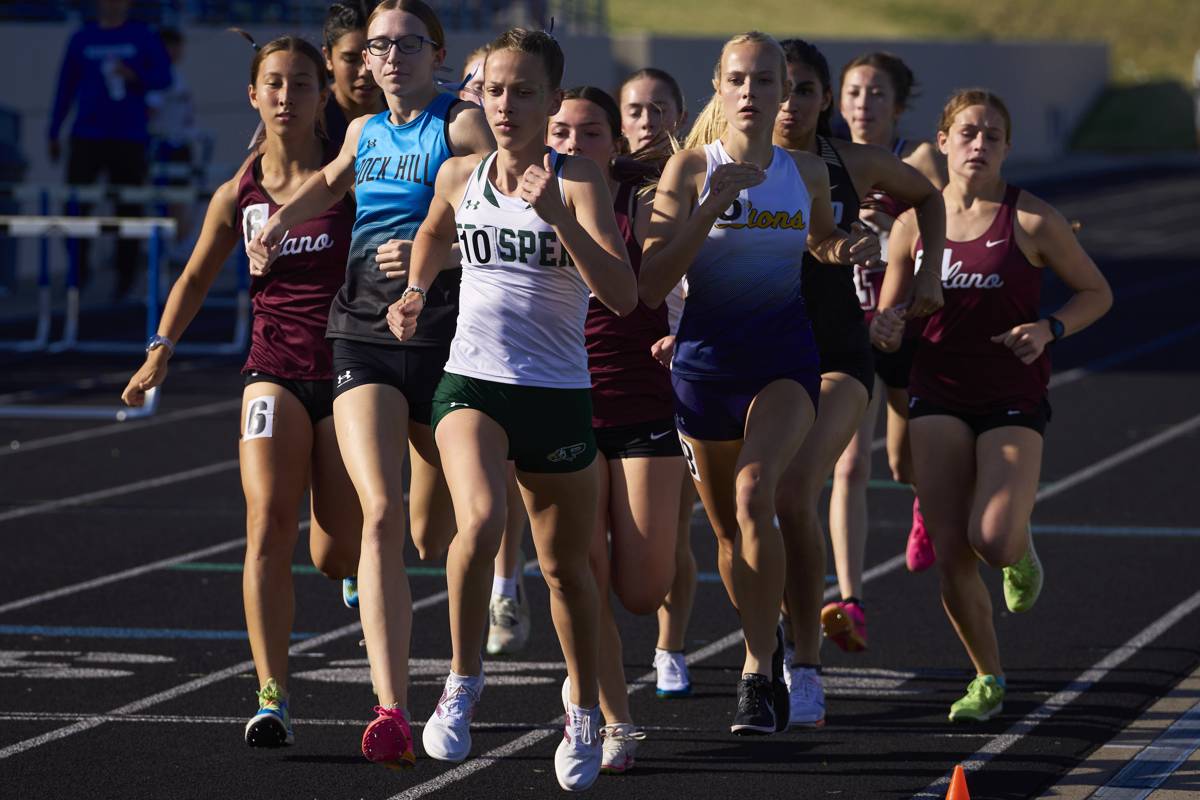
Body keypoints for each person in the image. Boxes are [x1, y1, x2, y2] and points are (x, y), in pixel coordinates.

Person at [387, 28, 636, 791]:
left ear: (552, 100)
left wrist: (559, 214)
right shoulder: (461, 174)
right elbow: (432, 234)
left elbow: (623, 297)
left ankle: (583, 711)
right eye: (494, 89)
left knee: (566, 572)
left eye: (524, 91)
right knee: (483, 519)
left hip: (558, 395)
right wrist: (416, 291)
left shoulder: (583, 179)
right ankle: (462, 681)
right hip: (473, 383)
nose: (506, 104)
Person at [248, 0, 494, 770]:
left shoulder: (460, 127)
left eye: (406, 45)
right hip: (360, 333)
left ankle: (477, 663)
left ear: (437, 52)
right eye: (378, 47)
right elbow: (327, 181)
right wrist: (279, 222)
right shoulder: (364, 130)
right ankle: (391, 707)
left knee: (455, 525)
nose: (389, 58)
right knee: (379, 511)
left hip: (451, 337)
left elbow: (507, 214)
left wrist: (438, 261)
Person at [121, 34, 361, 750]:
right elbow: (194, 276)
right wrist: (160, 349)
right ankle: (272, 694)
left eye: (301, 84)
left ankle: (346, 571)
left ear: (324, 96)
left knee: (336, 554)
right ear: (254, 96)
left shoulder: (351, 177)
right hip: (273, 371)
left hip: (350, 375)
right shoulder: (240, 192)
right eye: (274, 85)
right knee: (266, 523)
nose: (287, 97)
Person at [639, 31, 878, 736]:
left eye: (765, 81)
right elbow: (651, 282)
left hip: (783, 361)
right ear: (719, 86)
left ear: (782, 91)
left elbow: (821, 240)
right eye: (738, 80)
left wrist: (852, 245)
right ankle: (764, 644)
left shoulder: (803, 172)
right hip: (704, 368)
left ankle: (763, 673)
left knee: (756, 494)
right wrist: (710, 207)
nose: (751, 93)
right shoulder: (686, 171)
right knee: (725, 531)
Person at [871, 89, 1111, 723]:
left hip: (1011, 394)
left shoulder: (1031, 220)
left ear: (1007, 148)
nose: (980, 145)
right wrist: (888, 328)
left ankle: (1021, 549)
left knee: (994, 539)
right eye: (968, 133)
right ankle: (987, 677)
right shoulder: (911, 227)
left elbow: (1096, 292)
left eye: (993, 136)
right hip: (937, 394)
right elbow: (887, 320)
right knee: (953, 552)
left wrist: (1050, 328)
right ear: (943, 141)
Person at [769, 39, 944, 726]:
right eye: (772, 86)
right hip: (751, 354)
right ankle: (772, 644)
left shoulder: (854, 163)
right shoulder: (719, 165)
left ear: (823, 98)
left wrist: (923, 274)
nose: (786, 102)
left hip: (838, 350)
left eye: (804, 88)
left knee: (797, 489)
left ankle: (803, 660)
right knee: (742, 517)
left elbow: (928, 198)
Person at [548, 85, 685, 773]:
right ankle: (610, 717)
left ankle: (599, 683)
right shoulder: (525, 198)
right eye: (562, 133)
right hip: (563, 404)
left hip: (643, 405)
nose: (573, 147)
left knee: (641, 588)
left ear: (615, 142)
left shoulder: (646, 200)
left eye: (591, 133)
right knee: (582, 570)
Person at [837, 50, 947, 582]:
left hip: (902, 323)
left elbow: (944, 217)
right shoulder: (825, 159)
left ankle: (924, 504)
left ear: (898, 107)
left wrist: (882, 219)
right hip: (849, 326)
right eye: (855, 92)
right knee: (851, 464)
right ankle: (849, 598)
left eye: (877, 93)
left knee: (905, 465)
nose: (864, 104)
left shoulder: (918, 157)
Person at [617, 66, 699, 701]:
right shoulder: (602, 180)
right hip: (623, 360)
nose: (647, 121)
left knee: (677, 523)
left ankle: (671, 647)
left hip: (691, 359)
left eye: (658, 108)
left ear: (679, 113)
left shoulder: (696, 177)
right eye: (636, 110)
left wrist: (693, 333)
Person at [47, 0, 171, 297]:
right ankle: (79, 270)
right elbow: (65, 87)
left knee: (128, 207)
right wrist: (53, 131)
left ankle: (125, 275)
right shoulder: (82, 38)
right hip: (87, 135)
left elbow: (164, 77)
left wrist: (135, 76)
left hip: (128, 137)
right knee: (76, 204)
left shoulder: (142, 36)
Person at [321, 0, 385, 147]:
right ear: (328, 58)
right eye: (350, 59)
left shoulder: (409, 112)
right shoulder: (309, 116)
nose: (365, 71)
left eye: (376, 55)